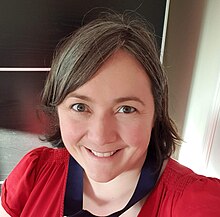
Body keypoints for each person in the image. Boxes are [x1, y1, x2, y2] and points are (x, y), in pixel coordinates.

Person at [1, 11, 220, 217]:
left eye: (126, 109)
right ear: (57, 108)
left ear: (156, 114)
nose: (100, 136)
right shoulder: (34, 173)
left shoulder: (199, 205)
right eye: (80, 107)